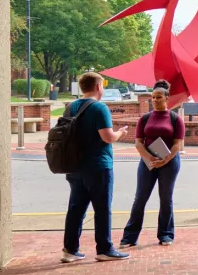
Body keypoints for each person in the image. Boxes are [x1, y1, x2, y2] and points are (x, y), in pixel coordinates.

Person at [62, 72, 130, 262]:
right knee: (102, 208)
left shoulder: (70, 107)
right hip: (98, 165)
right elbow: (107, 137)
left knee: (76, 208)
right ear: (99, 86)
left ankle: (70, 249)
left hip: (74, 165)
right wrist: (120, 133)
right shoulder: (99, 108)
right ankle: (104, 248)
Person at [120, 80, 185, 247]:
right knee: (140, 198)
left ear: (167, 99)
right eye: (153, 97)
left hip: (169, 163)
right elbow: (138, 142)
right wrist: (149, 158)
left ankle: (165, 234)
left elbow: (178, 144)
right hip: (147, 162)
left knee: (166, 198)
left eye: (158, 97)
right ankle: (129, 237)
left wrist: (166, 159)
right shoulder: (145, 118)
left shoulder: (175, 119)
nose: (155, 100)